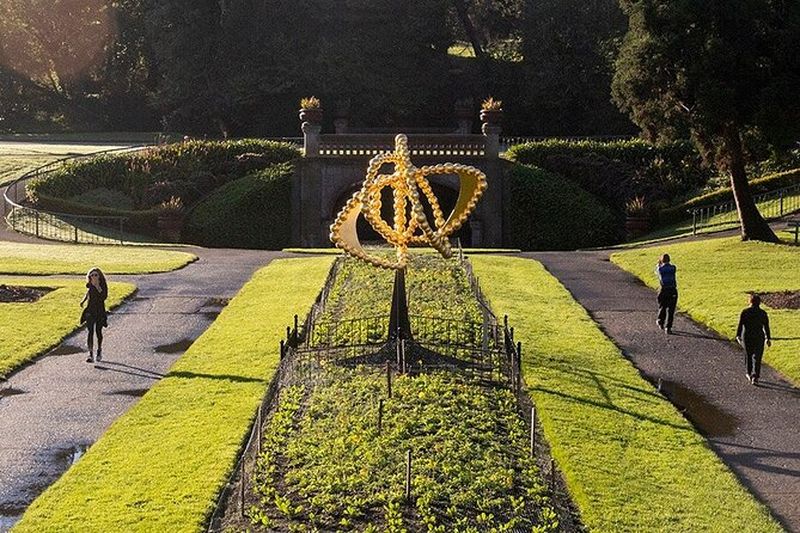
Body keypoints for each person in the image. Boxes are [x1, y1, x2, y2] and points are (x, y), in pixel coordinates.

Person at [736, 294, 771, 385]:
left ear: (750, 302)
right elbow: (766, 327)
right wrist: (768, 338)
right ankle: (755, 376)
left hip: (747, 336)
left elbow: (741, 325)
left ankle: (749, 373)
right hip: (759, 336)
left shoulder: (745, 312)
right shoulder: (763, 313)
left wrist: (738, 335)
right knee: (757, 357)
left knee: (748, 355)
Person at [80, 267, 108, 363]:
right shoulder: (89, 285)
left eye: (96, 275)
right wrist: (83, 301)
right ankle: (90, 354)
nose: (94, 277)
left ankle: (99, 350)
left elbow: (104, 296)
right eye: (92, 275)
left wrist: (97, 286)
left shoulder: (103, 285)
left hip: (99, 311)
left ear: (99, 276)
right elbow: (88, 293)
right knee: (90, 332)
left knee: (98, 332)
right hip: (90, 311)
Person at [655, 253, 678, 334]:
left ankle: (660, 321)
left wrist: (659, 263)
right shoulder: (673, 268)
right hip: (672, 289)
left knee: (663, 307)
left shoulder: (660, 269)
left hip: (663, 290)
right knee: (671, 310)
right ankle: (668, 327)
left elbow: (657, 272)